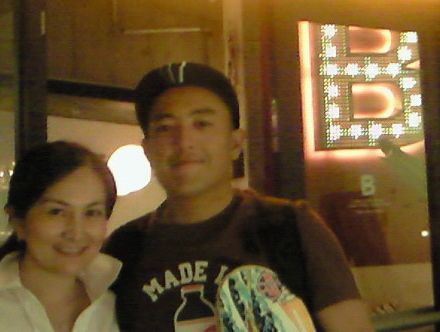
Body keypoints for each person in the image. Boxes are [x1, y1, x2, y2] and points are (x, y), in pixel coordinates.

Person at [104, 61, 374, 331]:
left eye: (202, 123)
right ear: (148, 151)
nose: (183, 141)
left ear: (235, 143)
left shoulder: (289, 227)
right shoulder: (124, 250)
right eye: (165, 127)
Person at [0, 141, 121, 332]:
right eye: (56, 212)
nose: (76, 233)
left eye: (92, 213)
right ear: (17, 220)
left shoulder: (124, 308)